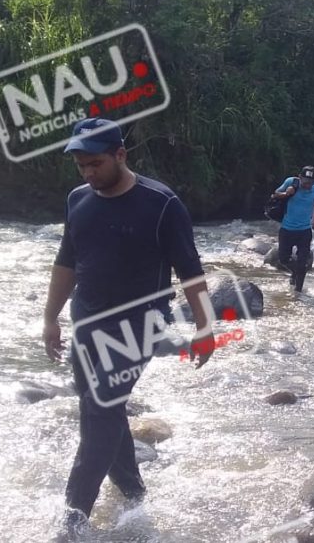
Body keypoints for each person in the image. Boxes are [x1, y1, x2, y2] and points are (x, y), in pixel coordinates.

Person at [41, 118, 215, 537]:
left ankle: (73, 518)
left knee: (99, 409)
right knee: (101, 409)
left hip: (141, 327)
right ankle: (134, 492)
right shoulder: (78, 199)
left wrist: (205, 326)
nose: (88, 173)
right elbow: (67, 261)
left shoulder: (162, 204)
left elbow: (190, 270)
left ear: (121, 154)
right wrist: (50, 317)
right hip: (86, 322)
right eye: (81, 165)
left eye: (96, 163)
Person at [272, 166, 314, 293]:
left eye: (311, 182)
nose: (307, 185)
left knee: (302, 263)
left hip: (304, 231)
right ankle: (295, 272)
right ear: (300, 177)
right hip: (287, 229)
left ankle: (298, 292)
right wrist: (286, 193)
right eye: (305, 181)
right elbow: (275, 194)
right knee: (283, 259)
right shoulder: (291, 182)